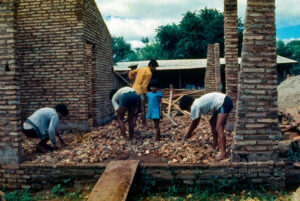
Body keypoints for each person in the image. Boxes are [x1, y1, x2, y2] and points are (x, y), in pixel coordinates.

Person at [179, 92, 233, 160]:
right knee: (212, 122)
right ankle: (215, 144)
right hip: (224, 100)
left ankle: (223, 153)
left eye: (187, 110)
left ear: (187, 107)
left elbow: (195, 123)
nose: (189, 111)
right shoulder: (197, 102)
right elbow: (196, 121)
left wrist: (188, 134)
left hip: (224, 102)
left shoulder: (194, 106)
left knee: (219, 127)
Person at [128, 59, 159, 126]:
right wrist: (146, 94)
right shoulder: (149, 73)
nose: (155, 69)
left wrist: (132, 81)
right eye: (154, 67)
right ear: (151, 66)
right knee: (142, 109)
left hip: (133, 91)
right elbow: (144, 86)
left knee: (136, 108)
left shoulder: (141, 69)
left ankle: (133, 124)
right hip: (140, 93)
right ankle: (144, 125)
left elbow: (130, 73)